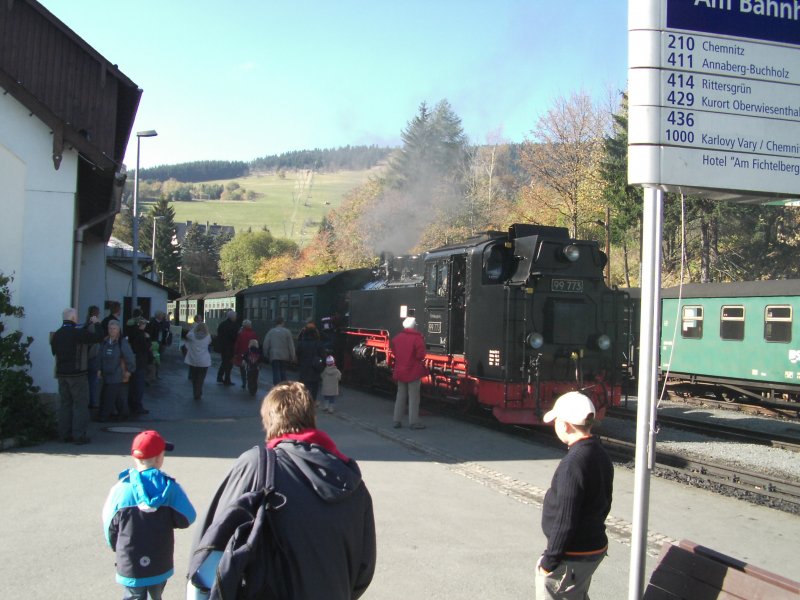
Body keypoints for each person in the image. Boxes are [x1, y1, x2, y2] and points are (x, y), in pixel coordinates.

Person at [188, 381, 376, 600]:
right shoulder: (353, 484)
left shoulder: (256, 467)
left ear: (268, 422)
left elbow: (211, 542)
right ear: (311, 419)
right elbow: (364, 569)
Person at [536, 392, 614, 600]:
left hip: (572, 555)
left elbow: (565, 519)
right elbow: (606, 502)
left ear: (566, 425)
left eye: (556, 421)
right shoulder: (600, 453)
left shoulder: (573, 464)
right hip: (593, 546)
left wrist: (549, 563)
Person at [102, 430, 196, 600]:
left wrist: (116, 546)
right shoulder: (170, 488)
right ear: (160, 458)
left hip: (129, 560)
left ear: (134, 457)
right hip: (160, 560)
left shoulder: (121, 489)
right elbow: (188, 517)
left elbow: (109, 524)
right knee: (156, 594)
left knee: (133, 595)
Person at [50, 307, 103, 444]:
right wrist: (96, 323)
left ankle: (64, 434)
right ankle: (79, 435)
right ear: (73, 318)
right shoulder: (77, 333)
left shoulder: (57, 334)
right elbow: (99, 337)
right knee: (80, 404)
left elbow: (53, 352)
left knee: (65, 404)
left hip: (61, 373)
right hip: (77, 374)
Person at [390, 316, 428, 429]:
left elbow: (394, 352)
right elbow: (421, 355)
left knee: (400, 395)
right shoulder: (417, 338)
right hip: (413, 371)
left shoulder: (397, 338)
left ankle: (396, 420)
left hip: (400, 370)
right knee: (414, 397)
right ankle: (413, 422)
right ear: (414, 326)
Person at [98, 320, 136, 423]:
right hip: (107, 374)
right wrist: (99, 369)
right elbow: (100, 357)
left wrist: (130, 370)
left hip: (117, 373)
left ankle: (103, 416)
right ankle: (124, 414)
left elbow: (130, 357)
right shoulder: (105, 341)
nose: (112, 330)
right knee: (119, 396)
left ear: (119, 330)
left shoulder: (122, 342)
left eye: (114, 328)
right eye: (110, 328)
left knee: (108, 396)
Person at [127, 317, 151, 416]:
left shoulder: (131, 333)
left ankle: (131, 404)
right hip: (140, 362)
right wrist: (148, 338)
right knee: (139, 386)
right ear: (141, 324)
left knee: (133, 385)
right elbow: (146, 347)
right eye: (144, 324)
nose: (145, 326)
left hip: (133, 361)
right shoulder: (142, 335)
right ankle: (137, 406)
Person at [296, 321, 325, 402]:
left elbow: (297, 354)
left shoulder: (301, 343)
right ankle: (313, 401)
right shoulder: (319, 344)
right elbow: (323, 357)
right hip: (315, 369)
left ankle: (304, 401)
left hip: (304, 368)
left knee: (304, 387)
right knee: (314, 387)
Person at [262, 317, 296, 385]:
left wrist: (265, 353)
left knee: (276, 372)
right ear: (282, 322)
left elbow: (265, 344)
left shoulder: (271, 332)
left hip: (274, 355)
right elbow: (291, 345)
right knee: (283, 372)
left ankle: (277, 387)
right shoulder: (287, 332)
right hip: (284, 356)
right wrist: (293, 356)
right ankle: (283, 387)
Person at [184, 322, 212, 401]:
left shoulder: (192, 336)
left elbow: (188, 334)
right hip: (204, 361)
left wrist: (194, 328)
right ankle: (198, 392)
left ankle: (195, 392)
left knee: (194, 378)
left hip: (193, 360)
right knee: (201, 378)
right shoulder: (208, 336)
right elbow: (209, 342)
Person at [83, 305, 102, 410]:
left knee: (91, 380)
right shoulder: (93, 326)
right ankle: (93, 402)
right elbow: (99, 338)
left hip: (89, 356)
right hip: (93, 356)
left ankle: (92, 401)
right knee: (93, 381)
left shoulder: (86, 324)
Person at [233, 319, 259, 389]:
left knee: (242, 369)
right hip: (251, 354)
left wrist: (235, 352)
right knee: (250, 368)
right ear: (250, 326)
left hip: (242, 354)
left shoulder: (241, 334)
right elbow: (256, 344)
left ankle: (244, 382)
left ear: (243, 326)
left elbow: (237, 344)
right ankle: (249, 381)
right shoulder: (253, 334)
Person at [215, 310, 238, 385]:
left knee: (224, 362)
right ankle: (227, 379)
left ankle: (220, 376)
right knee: (229, 364)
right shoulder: (232, 325)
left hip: (222, 346)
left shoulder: (222, 324)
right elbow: (234, 336)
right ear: (232, 317)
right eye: (235, 317)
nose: (236, 318)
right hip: (229, 347)